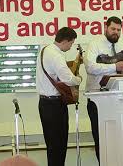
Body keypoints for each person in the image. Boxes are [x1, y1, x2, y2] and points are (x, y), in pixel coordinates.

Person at [84, 16, 123, 161]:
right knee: (101, 138)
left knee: (119, 138)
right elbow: (90, 67)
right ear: (105, 28)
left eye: (118, 30)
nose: (115, 32)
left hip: (119, 99)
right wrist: (114, 67)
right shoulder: (94, 45)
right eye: (113, 29)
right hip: (97, 99)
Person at [36, 27, 82, 166]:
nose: (71, 46)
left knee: (52, 145)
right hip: (55, 106)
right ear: (66, 41)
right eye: (71, 43)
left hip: (44, 104)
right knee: (59, 145)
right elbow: (67, 79)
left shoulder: (45, 50)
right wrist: (79, 79)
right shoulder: (56, 55)